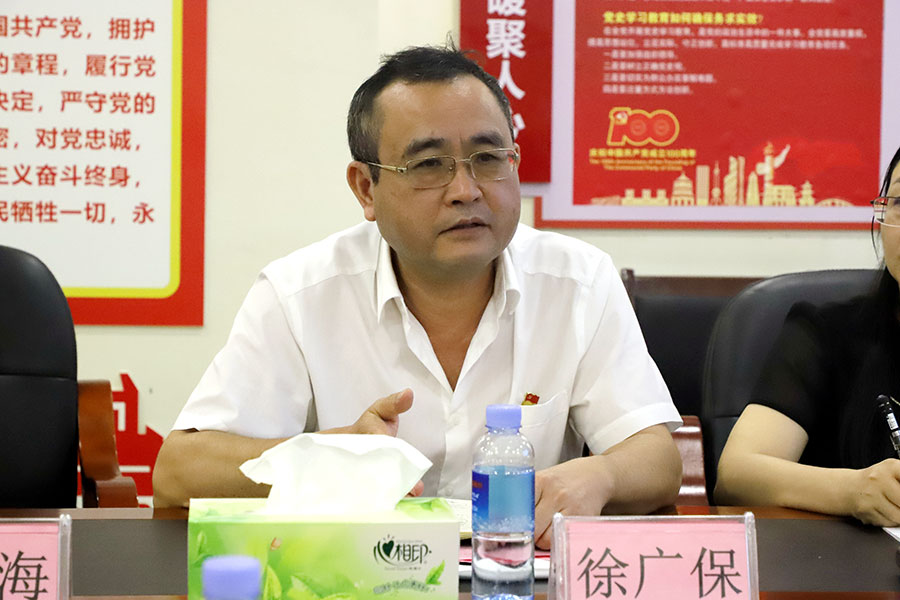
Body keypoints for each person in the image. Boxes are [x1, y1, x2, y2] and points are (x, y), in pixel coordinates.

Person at [152, 45, 682, 547]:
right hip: (358, 580)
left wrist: (602, 475)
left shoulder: (579, 282)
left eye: (488, 157)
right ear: (366, 189)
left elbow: (658, 458)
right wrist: (324, 457)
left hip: (514, 577)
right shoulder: (299, 293)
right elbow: (178, 472)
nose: (466, 190)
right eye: (429, 165)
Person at [715, 145, 900, 525]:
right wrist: (853, 491)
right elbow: (736, 475)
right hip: (850, 559)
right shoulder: (826, 332)